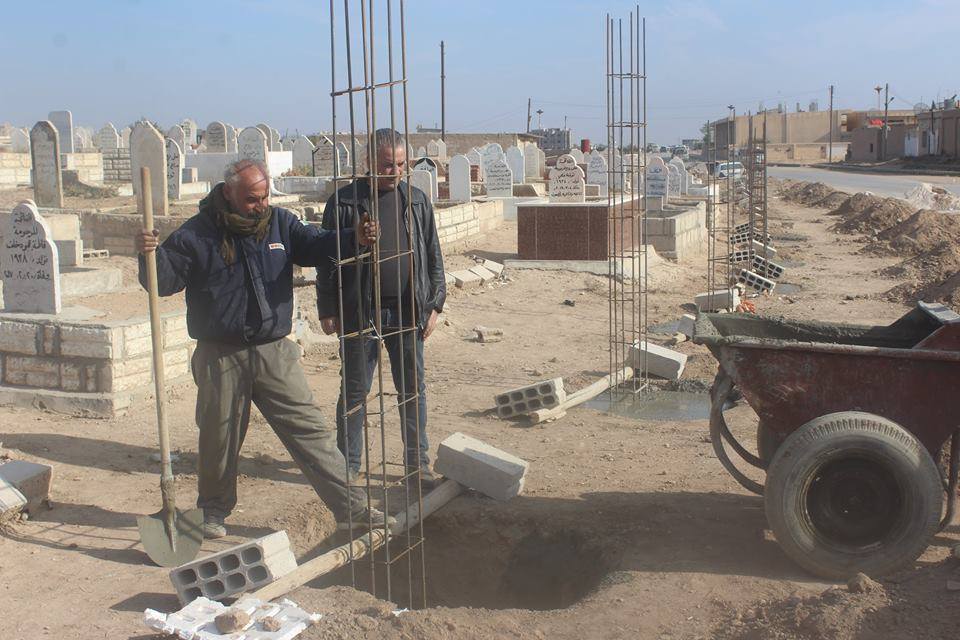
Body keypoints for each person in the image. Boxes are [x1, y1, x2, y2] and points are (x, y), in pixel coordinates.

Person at [135, 158, 391, 539]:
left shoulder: (279, 223)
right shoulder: (196, 235)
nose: (261, 204)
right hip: (220, 354)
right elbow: (163, 283)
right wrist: (147, 255)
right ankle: (213, 513)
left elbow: (316, 245)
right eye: (253, 198)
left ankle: (353, 508)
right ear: (228, 194)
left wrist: (354, 237)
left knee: (312, 433)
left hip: (274, 352)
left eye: (265, 195)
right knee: (217, 438)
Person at [316, 129, 446, 485]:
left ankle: (417, 464)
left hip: (407, 311)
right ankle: (348, 465)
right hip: (361, 311)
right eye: (388, 165)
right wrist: (328, 308)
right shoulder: (343, 204)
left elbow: (434, 258)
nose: (395, 172)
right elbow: (327, 260)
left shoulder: (416, 201)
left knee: (412, 389)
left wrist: (435, 304)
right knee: (356, 390)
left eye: (401, 164)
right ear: (369, 163)